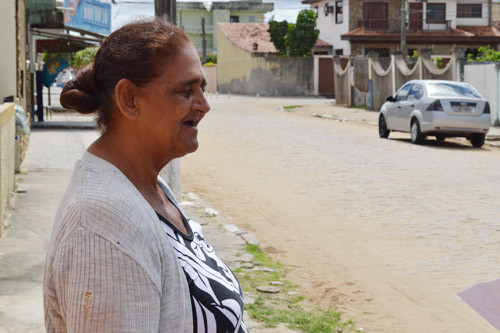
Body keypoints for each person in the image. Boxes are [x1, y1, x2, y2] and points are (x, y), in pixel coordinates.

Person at [43, 20, 248, 332]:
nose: (204, 105)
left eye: (202, 89)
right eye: (185, 90)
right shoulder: (102, 226)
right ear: (129, 99)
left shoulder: (147, 186)